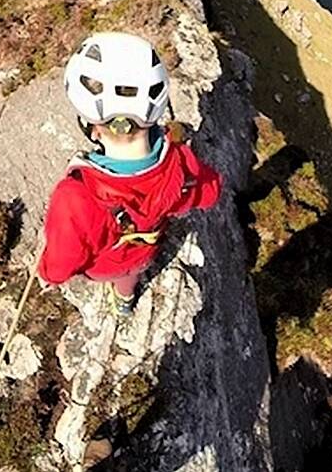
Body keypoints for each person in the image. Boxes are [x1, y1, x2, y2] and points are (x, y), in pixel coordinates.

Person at [38, 32, 222, 316]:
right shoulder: (178, 162)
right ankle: (125, 300)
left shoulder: (74, 196)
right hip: (142, 254)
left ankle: (122, 298)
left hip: (102, 266)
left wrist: (50, 275)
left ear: (92, 127)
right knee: (129, 275)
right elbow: (209, 192)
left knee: (115, 268)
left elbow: (66, 252)